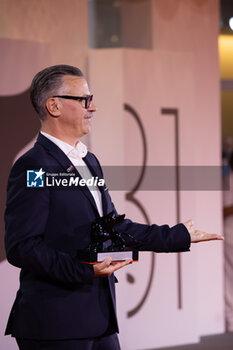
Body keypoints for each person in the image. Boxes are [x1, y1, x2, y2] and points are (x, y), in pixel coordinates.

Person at [4, 65, 223, 350]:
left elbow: (112, 226)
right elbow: (22, 246)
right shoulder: (34, 166)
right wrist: (85, 270)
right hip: (55, 324)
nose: (92, 107)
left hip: (100, 320)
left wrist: (177, 235)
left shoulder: (90, 161)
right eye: (84, 100)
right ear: (54, 105)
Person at [223, 151, 233, 332]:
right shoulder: (227, 181)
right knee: (230, 280)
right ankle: (231, 320)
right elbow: (219, 210)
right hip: (229, 237)